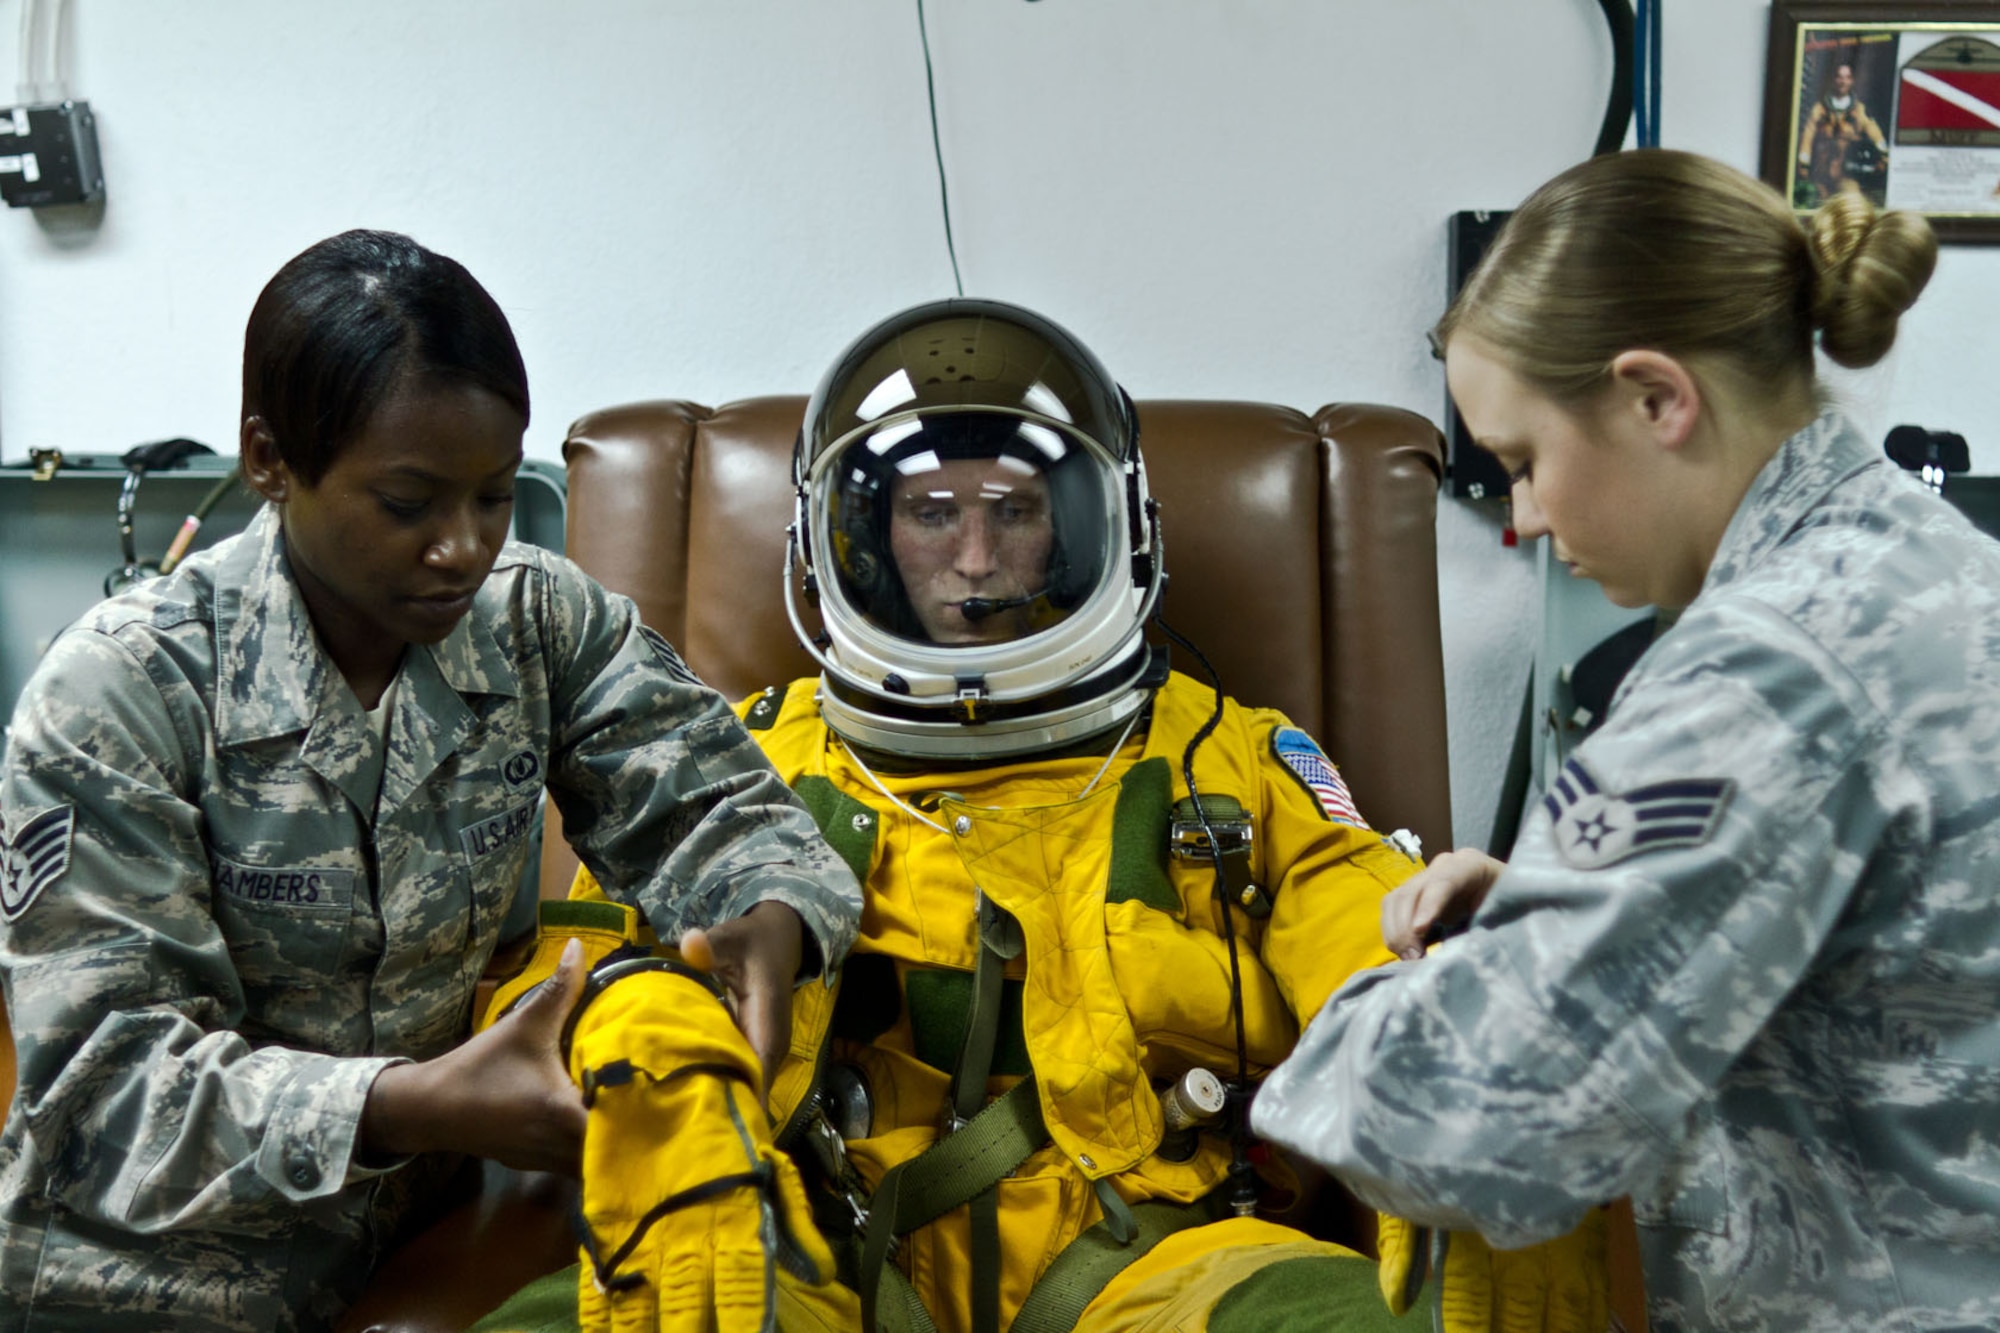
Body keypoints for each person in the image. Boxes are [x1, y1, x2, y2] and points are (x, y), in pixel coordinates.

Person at [471, 299, 1607, 1333]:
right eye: (929, 514)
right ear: (849, 541)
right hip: (811, 1248)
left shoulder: (1226, 755)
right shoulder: (745, 759)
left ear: (1089, 528)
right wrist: (635, 1031)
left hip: (1164, 1261)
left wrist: (1433, 1031)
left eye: (1011, 512)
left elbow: (1361, 912)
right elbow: (573, 971)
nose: (972, 559)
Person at [0, 230, 861, 1332]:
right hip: (139, 1274)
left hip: (410, 1220)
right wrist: (409, 1105)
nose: (462, 548)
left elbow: (725, 811)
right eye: (408, 504)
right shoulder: (123, 689)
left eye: (495, 497)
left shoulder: (536, 620)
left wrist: (769, 916)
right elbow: (105, 1096)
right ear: (269, 458)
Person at [1250, 148, 2000, 1330]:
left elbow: (1477, 1124)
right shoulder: (1925, 558)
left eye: (1523, 461)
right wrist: (1554, 895)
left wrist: (1361, 1014)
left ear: (1655, 398)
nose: (1526, 517)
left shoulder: (1763, 666)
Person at [1796, 60, 1889, 208]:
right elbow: (1807, 136)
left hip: (1847, 173)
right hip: (1821, 174)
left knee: (1852, 204)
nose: (1842, 82)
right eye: (1839, 77)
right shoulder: (1819, 109)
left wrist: (1884, 154)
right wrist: (1803, 163)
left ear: (1852, 81)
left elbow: (1874, 131)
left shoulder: (1859, 110)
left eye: (1847, 77)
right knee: (1818, 207)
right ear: (1833, 80)